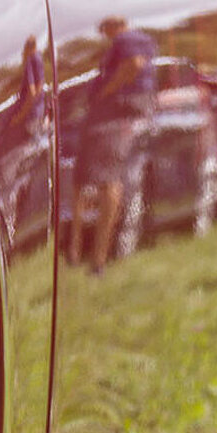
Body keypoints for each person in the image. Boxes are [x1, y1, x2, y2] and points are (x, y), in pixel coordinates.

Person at [75, 15, 156, 272]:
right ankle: (95, 253)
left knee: (108, 180)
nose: (106, 37)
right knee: (113, 178)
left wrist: (105, 92)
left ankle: (98, 259)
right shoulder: (144, 39)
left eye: (105, 31)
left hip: (115, 113)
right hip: (125, 115)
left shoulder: (126, 38)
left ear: (113, 26)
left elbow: (133, 63)